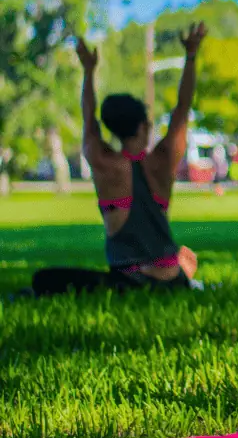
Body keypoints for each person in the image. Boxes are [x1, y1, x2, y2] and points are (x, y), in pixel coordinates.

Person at [30, 24, 207, 297]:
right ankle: (183, 277)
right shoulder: (162, 161)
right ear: (144, 127)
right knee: (182, 259)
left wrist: (88, 72)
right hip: (171, 280)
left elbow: (89, 122)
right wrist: (191, 56)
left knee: (44, 279)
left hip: (128, 282)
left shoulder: (104, 164)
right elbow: (182, 109)